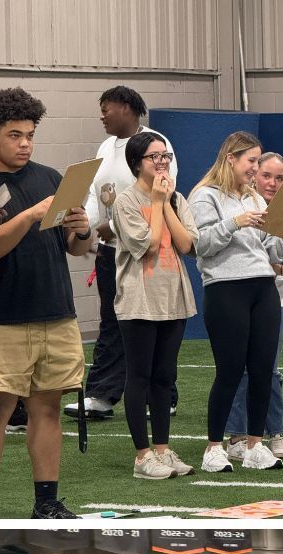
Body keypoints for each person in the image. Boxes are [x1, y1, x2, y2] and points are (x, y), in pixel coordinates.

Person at [0, 87, 95, 519]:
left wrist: (82, 228)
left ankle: (47, 502)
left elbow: (77, 248)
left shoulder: (50, 178)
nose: (25, 142)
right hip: (0, 316)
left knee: (48, 409)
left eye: (30, 134)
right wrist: (27, 216)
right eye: (14, 134)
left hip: (56, 310)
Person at [190, 131, 283, 473]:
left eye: (257, 160)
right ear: (230, 159)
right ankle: (213, 448)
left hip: (263, 287)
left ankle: (255, 445)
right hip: (225, 288)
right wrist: (234, 223)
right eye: (251, 161)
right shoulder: (204, 196)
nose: (255, 168)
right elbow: (201, 245)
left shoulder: (254, 198)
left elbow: (272, 250)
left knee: (263, 370)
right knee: (230, 371)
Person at [70, 85, 179, 421]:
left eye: (107, 108)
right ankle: (101, 394)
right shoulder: (105, 146)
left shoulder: (155, 144)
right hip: (110, 252)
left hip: (146, 251)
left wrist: (115, 228)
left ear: (127, 108)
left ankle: (162, 394)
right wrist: (85, 227)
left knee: (152, 323)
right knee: (111, 321)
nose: (102, 115)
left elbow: (162, 196)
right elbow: (95, 193)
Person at [112, 131, 198, 480]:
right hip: (138, 299)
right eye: (154, 157)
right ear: (137, 164)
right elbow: (147, 245)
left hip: (173, 297)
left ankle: (162, 449)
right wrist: (159, 204)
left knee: (165, 377)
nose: (162, 162)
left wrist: (166, 202)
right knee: (141, 377)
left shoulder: (176, 197)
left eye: (166, 155)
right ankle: (142, 455)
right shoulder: (125, 201)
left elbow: (187, 244)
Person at [226, 152, 283, 462]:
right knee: (240, 366)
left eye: (280, 177)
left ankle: (275, 432)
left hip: (269, 296)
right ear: (254, 175)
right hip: (240, 292)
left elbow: (275, 253)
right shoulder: (241, 206)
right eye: (267, 175)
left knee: (268, 367)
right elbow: (240, 259)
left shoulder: (280, 209)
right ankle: (237, 434)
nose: (273, 183)